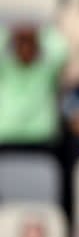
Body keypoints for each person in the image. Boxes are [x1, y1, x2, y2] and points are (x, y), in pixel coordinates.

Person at [0, 20, 68, 148]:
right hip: (6, 134)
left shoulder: (46, 70)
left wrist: (40, 32)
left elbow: (61, 51)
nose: (26, 50)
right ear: (15, 48)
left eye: (30, 45)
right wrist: (10, 33)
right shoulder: (5, 69)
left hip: (41, 135)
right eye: (21, 45)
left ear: (37, 48)